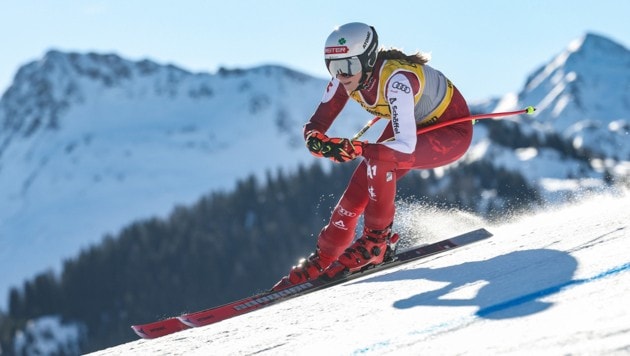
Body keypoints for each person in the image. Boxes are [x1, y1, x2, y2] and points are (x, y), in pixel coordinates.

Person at [272, 22, 474, 290]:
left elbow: (403, 146)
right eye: (332, 66)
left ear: (367, 60)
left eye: (347, 66)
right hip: (412, 125)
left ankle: (376, 243)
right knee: (358, 187)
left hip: (449, 133)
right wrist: (317, 141)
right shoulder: (346, 78)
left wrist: (357, 148)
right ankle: (324, 258)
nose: (341, 75)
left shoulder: (397, 82)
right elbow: (315, 125)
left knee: (378, 160)